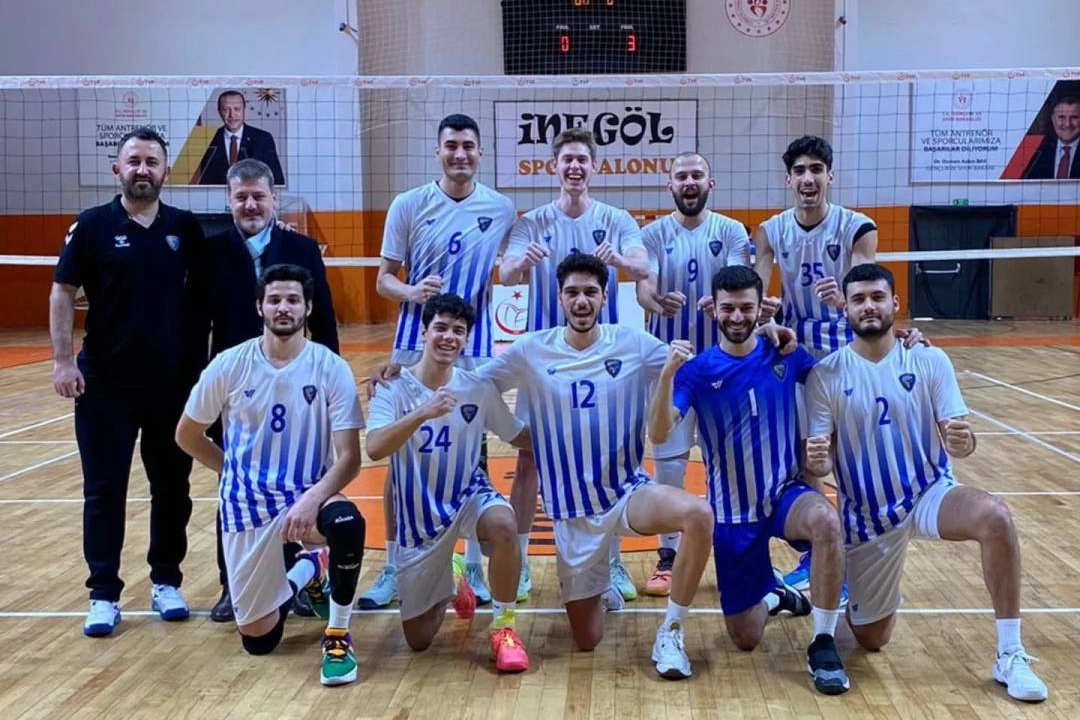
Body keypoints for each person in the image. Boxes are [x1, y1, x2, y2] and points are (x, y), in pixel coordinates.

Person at [804, 263, 1048, 703]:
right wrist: (817, 461)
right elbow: (820, 463)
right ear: (845, 309)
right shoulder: (825, 375)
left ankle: (1010, 653)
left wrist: (965, 441)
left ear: (895, 303)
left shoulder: (929, 359)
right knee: (871, 640)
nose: (868, 306)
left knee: (995, 517)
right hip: (867, 517)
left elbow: (960, 438)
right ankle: (863, 596)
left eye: (877, 297)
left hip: (928, 493)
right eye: (858, 299)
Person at [481, 253, 713, 679]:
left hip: (627, 493)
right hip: (573, 513)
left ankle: (671, 631)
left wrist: (763, 338)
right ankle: (601, 577)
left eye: (590, 292)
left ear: (606, 296)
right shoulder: (532, 349)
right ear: (559, 298)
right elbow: (477, 384)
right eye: (572, 292)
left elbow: (696, 370)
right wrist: (515, 433)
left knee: (698, 514)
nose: (581, 301)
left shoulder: (633, 344)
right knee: (587, 639)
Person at [647, 265, 849, 695]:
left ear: (761, 309)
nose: (736, 316)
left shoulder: (785, 353)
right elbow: (659, 433)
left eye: (745, 307)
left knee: (827, 522)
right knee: (745, 637)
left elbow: (840, 373)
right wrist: (666, 375)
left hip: (785, 494)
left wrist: (903, 345)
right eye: (728, 308)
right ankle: (775, 595)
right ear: (713, 309)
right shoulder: (697, 371)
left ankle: (823, 642)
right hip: (732, 512)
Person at [175, 263, 367, 687]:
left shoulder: (329, 367)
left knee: (347, 524)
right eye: (275, 299)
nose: (284, 307)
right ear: (259, 306)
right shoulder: (229, 364)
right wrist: (233, 471)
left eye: (293, 300)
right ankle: (310, 569)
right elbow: (187, 435)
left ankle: (337, 634)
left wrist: (312, 499)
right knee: (260, 641)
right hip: (246, 506)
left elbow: (350, 459)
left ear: (308, 308)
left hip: (308, 493)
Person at [357, 113, 517, 611]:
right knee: (403, 459)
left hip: (474, 349)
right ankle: (392, 566)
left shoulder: (501, 207)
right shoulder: (408, 204)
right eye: (451, 146)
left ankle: (471, 568)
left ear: (480, 152)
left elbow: (513, 266)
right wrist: (410, 291)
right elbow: (384, 279)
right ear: (438, 151)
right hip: (414, 344)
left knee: (475, 458)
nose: (460, 154)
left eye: (468, 146)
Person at [50, 126, 204, 637]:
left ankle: (166, 581)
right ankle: (103, 593)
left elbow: (214, 284)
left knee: (172, 488)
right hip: (105, 386)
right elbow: (62, 291)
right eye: (133, 160)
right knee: (104, 491)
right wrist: (62, 361)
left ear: (165, 171)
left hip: (172, 387)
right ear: (117, 168)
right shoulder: (91, 225)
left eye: (151, 162)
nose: (142, 169)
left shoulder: (185, 227)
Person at [755, 135, 920, 591]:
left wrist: (843, 299)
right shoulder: (771, 230)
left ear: (830, 176)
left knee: (850, 458)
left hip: (846, 353)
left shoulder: (857, 226)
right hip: (794, 354)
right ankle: (819, 554)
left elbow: (867, 290)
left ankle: (859, 551)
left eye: (816, 169)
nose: (808, 178)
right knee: (807, 458)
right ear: (788, 180)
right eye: (800, 171)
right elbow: (758, 285)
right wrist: (763, 313)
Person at [499, 127, 651, 604]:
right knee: (528, 461)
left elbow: (643, 266)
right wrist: (522, 262)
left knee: (611, 461)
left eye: (582, 159)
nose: (575, 166)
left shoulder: (616, 219)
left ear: (594, 166)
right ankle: (521, 563)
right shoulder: (532, 222)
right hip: (544, 362)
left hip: (602, 362)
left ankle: (612, 561)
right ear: (555, 166)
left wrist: (620, 259)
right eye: (567, 159)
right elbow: (505, 273)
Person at [188, 157, 339, 622]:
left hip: (297, 388)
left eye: (258, 196)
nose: (250, 204)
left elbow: (324, 319)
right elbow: (196, 325)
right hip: (236, 391)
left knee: (300, 483)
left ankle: (299, 580)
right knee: (234, 489)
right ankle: (232, 585)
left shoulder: (302, 248)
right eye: (241, 197)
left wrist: (330, 390)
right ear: (229, 201)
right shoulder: (210, 252)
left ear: (274, 198)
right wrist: (201, 390)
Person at [365, 293, 532, 673]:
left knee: (504, 523)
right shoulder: (391, 387)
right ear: (423, 332)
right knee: (419, 640)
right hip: (419, 518)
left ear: (466, 339)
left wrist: (569, 437)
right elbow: (374, 448)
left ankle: (504, 627)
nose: (448, 337)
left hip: (468, 495)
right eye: (440, 328)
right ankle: (453, 577)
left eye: (458, 331)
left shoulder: (477, 388)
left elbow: (515, 434)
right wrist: (422, 413)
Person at [635, 151, 751, 596]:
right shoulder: (652, 233)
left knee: (730, 462)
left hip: (723, 366)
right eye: (681, 176)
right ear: (670, 185)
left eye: (696, 175)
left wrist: (721, 299)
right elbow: (644, 285)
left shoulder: (731, 230)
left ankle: (734, 551)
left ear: (709, 183)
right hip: (672, 366)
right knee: (669, 463)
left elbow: (739, 278)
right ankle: (667, 557)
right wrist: (653, 301)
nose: (689, 182)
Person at [193, 90, 285, 186]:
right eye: (226, 109)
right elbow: (201, 182)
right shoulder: (207, 140)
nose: (232, 115)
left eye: (237, 109)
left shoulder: (263, 139)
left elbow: (277, 181)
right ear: (219, 112)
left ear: (244, 110)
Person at [1023, 95, 1080, 179]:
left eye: (1074, 117)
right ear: (1053, 119)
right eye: (1061, 117)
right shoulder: (1037, 153)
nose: (1068, 124)